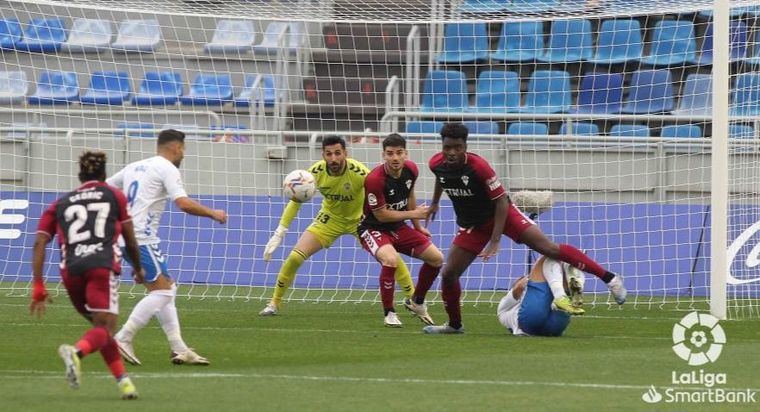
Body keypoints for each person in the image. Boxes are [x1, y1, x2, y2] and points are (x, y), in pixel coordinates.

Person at [418, 122, 626, 334]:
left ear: (465, 146)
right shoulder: (436, 163)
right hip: (473, 224)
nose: (452, 152)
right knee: (449, 274)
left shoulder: (479, 167)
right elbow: (441, 178)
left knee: (549, 248)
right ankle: (455, 325)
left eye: (458, 147)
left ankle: (610, 279)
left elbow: (500, 201)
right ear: (442, 146)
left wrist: (496, 239)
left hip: (504, 215)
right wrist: (435, 202)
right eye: (448, 147)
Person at [30, 150, 144, 399]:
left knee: (100, 329)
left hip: (71, 272)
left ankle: (124, 383)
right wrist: (138, 267)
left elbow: (40, 242)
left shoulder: (61, 202)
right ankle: (76, 352)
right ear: (104, 174)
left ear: (80, 176)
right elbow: (131, 240)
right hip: (100, 267)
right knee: (105, 327)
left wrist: (38, 285)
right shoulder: (115, 195)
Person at [107, 129, 227, 365]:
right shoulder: (167, 168)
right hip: (141, 238)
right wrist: (214, 213)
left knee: (167, 289)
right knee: (161, 292)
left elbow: (106, 187)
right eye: (183, 150)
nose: (183, 154)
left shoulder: (134, 166)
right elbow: (182, 203)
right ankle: (123, 337)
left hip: (134, 237)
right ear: (177, 148)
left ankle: (179, 348)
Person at [260, 135, 416, 316]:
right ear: (323, 155)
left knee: (391, 258)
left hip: (361, 221)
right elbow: (296, 201)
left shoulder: (360, 173)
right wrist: (280, 231)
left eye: (337, 153)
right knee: (295, 257)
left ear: (345, 153)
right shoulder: (314, 173)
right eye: (329, 154)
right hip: (330, 220)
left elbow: (378, 194)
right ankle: (274, 303)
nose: (333, 158)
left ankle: (413, 299)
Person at [358, 134, 443, 327]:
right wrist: (414, 213)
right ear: (383, 155)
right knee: (390, 260)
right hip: (372, 228)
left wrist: (418, 227)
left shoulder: (411, 169)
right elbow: (381, 215)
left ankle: (417, 302)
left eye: (399, 153)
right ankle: (389, 312)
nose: (395, 158)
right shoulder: (374, 180)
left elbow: (409, 194)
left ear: (406, 153)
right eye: (390, 154)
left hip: (398, 227)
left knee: (437, 259)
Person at [497, 256, 585, 337]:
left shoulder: (504, 314)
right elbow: (519, 287)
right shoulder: (506, 304)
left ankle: (564, 291)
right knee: (547, 258)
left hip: (532, 324)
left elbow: (519, 289)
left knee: (556, 279)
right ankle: (574, 284)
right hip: (554, 327)